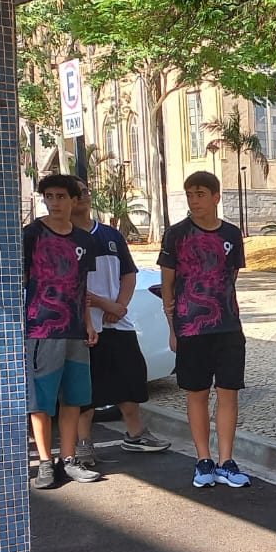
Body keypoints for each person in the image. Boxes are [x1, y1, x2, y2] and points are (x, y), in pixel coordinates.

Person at [159, 171, 251, 490]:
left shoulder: (231, 234)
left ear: (216, 197)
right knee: (196, 393)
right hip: (190, 327)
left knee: (228, 392)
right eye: (190, 194)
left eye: (200, 194)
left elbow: (230, 276)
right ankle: (203, 459)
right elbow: (168, 286)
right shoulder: (176, 234)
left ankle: (226, 460)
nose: (194, 200)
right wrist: (173, 329)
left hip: (227, 327)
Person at [73, 178, 171, 463]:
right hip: (84, 326)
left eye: (85, 192)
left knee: (130, 379)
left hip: (118, 323)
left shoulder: (111, 235)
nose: (83, 197)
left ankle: (136, 434)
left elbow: (128, 273)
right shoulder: (65, 239)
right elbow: (72, 285)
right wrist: (105, 305)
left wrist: (120, 306)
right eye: (76, 194)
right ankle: (83, 444)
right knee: (86, 388)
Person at [25, 174, 102, 489]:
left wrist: (88, 323)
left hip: (74, 330)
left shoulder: (84, 240)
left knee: (73, 398)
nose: (54, 203)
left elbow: (80, 286)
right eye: (49, 197)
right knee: (41, 400)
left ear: (74, 200)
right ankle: (45, 462)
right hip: (41, 329)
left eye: (61, 197)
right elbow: (20, 280)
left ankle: (68, 459)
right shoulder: (31, 234)